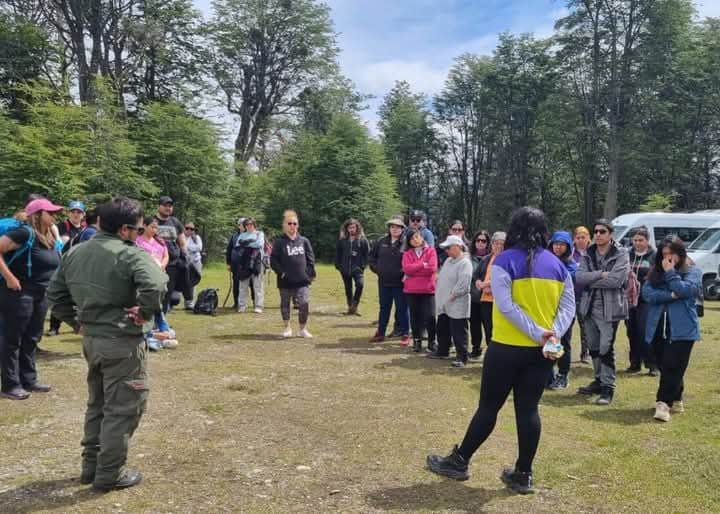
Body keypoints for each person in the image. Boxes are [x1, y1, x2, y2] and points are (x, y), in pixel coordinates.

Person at [426, 207, 575, 494]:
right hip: (542, 351)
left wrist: (538, 333)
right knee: (528, 410)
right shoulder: (557, 264)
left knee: (489, 407)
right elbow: (569, 305)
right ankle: (523, 473)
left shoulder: (505, 260)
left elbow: (506, 306)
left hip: (507, 348)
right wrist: (551, 333)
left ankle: (459, 461)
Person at [48, 197, 167, 491]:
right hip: (122, 342)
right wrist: (146, 311)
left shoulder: (75, 253)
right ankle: (110, 473)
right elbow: (156, 284)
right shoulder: (130, 254)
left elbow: (55, 295)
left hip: (92, 341)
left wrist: (77, 323)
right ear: (125, 229)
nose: (140, 235)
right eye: (138, 230)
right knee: (124, 407)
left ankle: (90, 467)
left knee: (98, 404)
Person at [0, 198, 63, 400]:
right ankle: (10, 385)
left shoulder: (50, 234)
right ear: (37, 215)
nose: (55, 215)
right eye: (50, 212)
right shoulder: (24, 232)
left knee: (32, 337)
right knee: (12, 338)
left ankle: (29, 379)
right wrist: (9, 278)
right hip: (19, 292)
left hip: (41, 293)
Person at [642, 236, 701, 422]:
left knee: (673, 365)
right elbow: (648, 294)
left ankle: (663, 403)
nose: (668, 258)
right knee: (666, 365)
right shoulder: (654, 273)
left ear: (680, 254)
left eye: (672, 254)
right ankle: (677, 396)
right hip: (658, 325)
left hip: (683, 329)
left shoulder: (693, 271)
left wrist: (670, 274)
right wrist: (670, 295)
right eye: (664, 254)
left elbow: (686, 290)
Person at [576, 220, 630, 405]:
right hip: (589, 307)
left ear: (610, 234)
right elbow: (579, 277)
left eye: (602, 231)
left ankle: (608, 388)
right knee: (594, 347)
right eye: (596, 231)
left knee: (606, 348)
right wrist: (600, 274)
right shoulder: (588, 253)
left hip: (610, 309)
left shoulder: (621, 253)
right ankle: (598, 380)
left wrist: (591, 280)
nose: (598, 234)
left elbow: (616, 281)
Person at [427, 235, 473, 367]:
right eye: (445, 248)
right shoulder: (448, 261)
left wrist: (453, 295)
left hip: (457, 302)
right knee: (442, 328)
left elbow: (464, 283)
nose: (446, 250)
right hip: (444, 302)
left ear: (458, 246)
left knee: (459, 331)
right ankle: (442, 351)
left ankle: (462, 356)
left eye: (449, 247)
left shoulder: (465, 263)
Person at [270, 210, 316, 338]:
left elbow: (310, 258)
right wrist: (281, 273)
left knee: (304, 303)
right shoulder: (279, 242)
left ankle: (302, 329)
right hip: (285, 281)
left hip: (302, 280)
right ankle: (287, 328)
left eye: (295, 223)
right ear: (284, 225)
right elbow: (273, 260)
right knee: (285, 304)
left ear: (298, 225)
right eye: (289, 223)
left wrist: (310, 274)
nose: (292, 226)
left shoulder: (304, 241)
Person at [47, 199, 87, 336]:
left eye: (79, 212)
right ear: (69, 213)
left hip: (78, 265)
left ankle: (77, 324)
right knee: (60, 294)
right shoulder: (60, 227)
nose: (76, 214)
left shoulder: (85, 229)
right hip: (62, 264)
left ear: (83, 214)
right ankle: (54, 327)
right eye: (73, 211)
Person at [369, 217, 410, 345]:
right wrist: (378, 270)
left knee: (402, 309)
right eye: (392, 227)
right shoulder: (381, 241)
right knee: (384, 308)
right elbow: (371, 258)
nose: (395, 229)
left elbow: (411, 260)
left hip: (400, 283)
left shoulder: (406, 243)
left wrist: (404, 273)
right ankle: (380, 333)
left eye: (398, 227)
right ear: (389, 228)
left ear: (402, 229)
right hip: (384, 282)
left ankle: (405, 334)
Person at [135, 216, 175, 350]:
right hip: (145, 278)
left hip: (160, 274)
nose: (154, 229)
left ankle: (160, 328)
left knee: (159, 299)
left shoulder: (160, 241)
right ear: (145, 226)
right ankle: (148, 332)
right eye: (152, 226)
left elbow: (166, 256)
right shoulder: (138, 241)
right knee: (147, 300)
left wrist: (161, 266)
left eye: (156, 227)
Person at [625, 227, 659, 375]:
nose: (637, 243)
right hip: (630, 298)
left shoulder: (654, 256)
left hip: (646, 299)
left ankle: (652, 364)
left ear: (647, 240)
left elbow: (659, 275)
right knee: (631, 330)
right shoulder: (627, 254)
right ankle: (635, 362)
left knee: (645, 331)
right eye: (635, 240)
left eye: (641, 240)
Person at [547, 231, 578, 390]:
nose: (558, 247)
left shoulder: (571, 266)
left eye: (562, 244)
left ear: (568, 247)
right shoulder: (545, 261)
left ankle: (563, 374)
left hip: (565, 310)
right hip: (547, 308)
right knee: (548, 338)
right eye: (555, 243)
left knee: (563, 340)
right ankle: (548, 373)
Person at [471, 232, 506, 360]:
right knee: (488, 329)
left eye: (502, 244)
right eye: (496, 243)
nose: (499, 246)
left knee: (497, 330)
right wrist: (479, 283)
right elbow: (476, 275)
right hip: (485, 300)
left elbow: (506, 278)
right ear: (492, 245)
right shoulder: (487, 258)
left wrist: (489, 284)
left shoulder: (507, 260)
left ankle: (498, 357)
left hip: (499, 301)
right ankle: (490, 356)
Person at [402, 229, 438, 352]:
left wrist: (415, 270)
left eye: (417, 237)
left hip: (428, 289)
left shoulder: (431, 251)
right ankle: (417, 341)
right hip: (411, 290)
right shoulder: (407, 254)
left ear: (422, 238)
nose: (415, 240)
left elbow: (432, 268)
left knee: (430, 316)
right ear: (409, 241)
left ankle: (432, 341)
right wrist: (422, 264)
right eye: (412, 238)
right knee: (415, 316)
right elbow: (406, 269)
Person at [154, 196, 186, 313]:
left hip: (172, 264)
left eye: (170, 206)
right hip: (155, 264)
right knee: (156, 292)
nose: (168, 208)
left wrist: (184, 256)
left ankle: (163, 320)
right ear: (159, 206)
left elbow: (182, 242)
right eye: (165, 205)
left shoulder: (175, 222)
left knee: (169, 294)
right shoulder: (152, 221)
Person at [335, 218, 370, 315]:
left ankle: (355, 305)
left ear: (357, 228)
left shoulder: (363, 240)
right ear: (346, 229)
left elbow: (367, 254)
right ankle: (351, 308)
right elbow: (338, 254)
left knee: (360, 285)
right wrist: (338, 266)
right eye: (349, 228)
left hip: (357, 269)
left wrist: (362, 266)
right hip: (344, 269)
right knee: (348, 289)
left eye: (353, 227)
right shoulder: (342, 241)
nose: (351, 229)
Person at [236, 217, 265, 313]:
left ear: (254, 225)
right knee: (242, 285)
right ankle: (242, 306)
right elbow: (237, 245)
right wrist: (251, 242)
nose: (249, 226)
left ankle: (258, 306)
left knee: (257, 285)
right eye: (247, 225)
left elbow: (259, 244)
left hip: (256, 261)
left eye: (251, 224)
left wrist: (246, 243)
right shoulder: (242, 235)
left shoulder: (259, 234)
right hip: (244, 262)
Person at [469, 230, 491, 358]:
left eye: (484, 241)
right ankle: (476, 348)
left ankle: (491, 352)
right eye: (478, 240)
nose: (480, 243)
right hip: (473, 296)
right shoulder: (468, 257)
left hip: (487, 298)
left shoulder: (492, 258)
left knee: (488, 326)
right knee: (474, 325)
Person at [573, 226, 591, 363]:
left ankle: (585, 353)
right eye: (578, 237)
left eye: (583, 237)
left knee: (585, 326)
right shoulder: (570, 252)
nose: (580, 240)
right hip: (570, 294)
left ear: (588, 238)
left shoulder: (592, 252)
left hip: (586, 295)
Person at [226, 217, 247, 310]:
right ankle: (236, 302)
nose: (241, 226)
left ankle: (251, 302)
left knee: (248, 284)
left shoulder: (250, 235)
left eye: (242, 224)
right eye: (240, 224)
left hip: (246, 264)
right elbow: (229, 249)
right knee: (236, 283)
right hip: (235, 263)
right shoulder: (234, 236)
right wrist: (228, 263)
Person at [183, 222, 203, 310]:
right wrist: (190, 247)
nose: (189, 230)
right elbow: (181, 247)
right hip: (184, 262)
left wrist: (187, 247)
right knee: (184, 282)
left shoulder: (197, 238)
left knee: (193, 282)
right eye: (187, 228)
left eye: (192, 229)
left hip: (195, 262)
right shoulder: (181, 236)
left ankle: (190, 303)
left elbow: (199, 248)